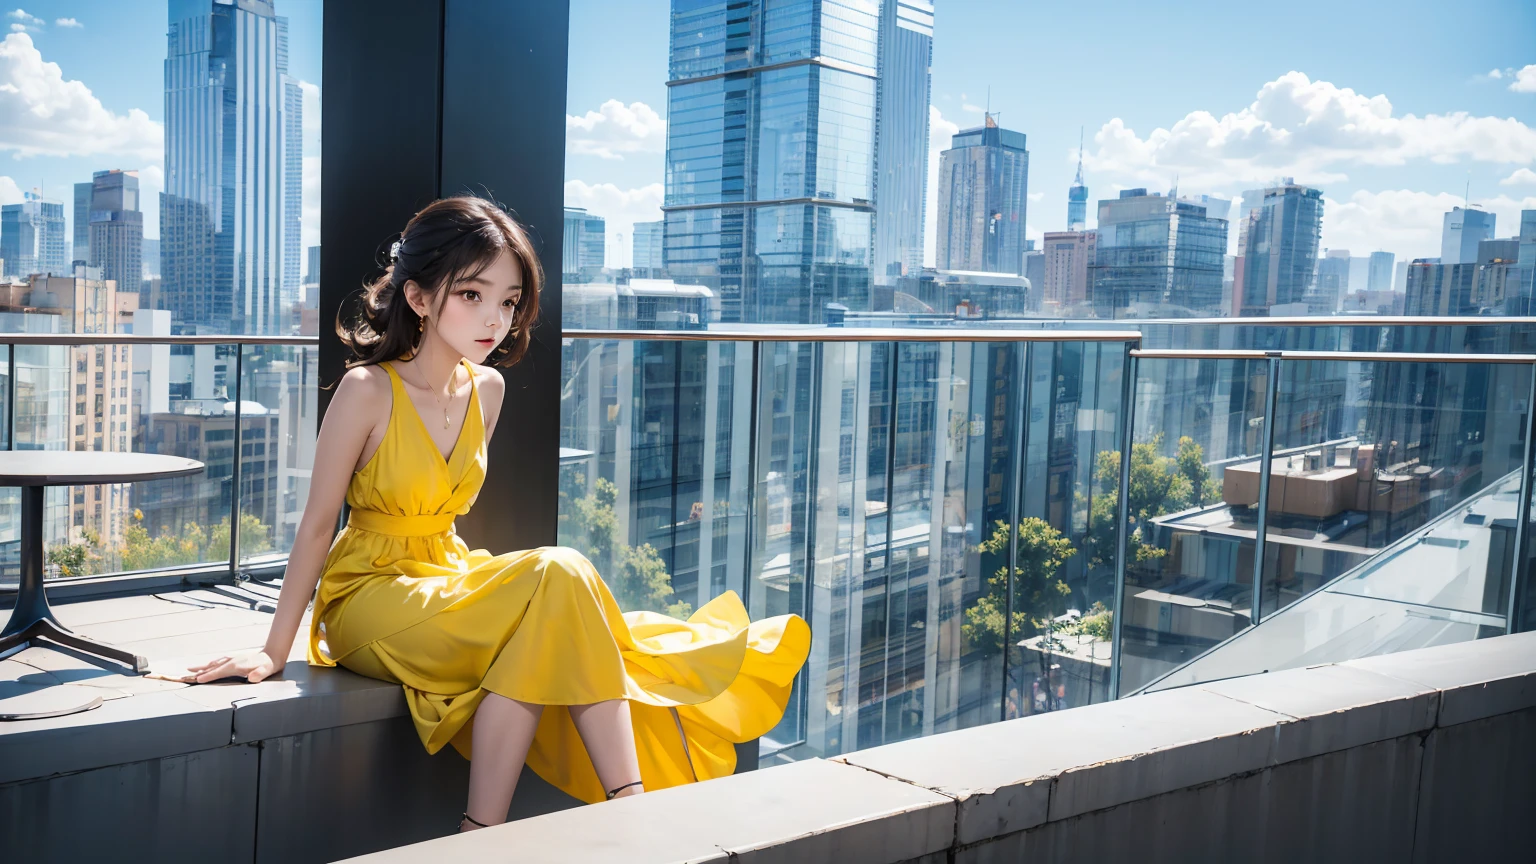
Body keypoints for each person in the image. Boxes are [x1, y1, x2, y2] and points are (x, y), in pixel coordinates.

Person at [185, 195, 811, 833]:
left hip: (445, 574)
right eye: (473, 296)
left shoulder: (489, 388)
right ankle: (627, 810)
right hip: (368, 593)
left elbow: (446, 512)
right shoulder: (367, 389)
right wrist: (273, 651)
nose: (496, 320)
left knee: (549, 602)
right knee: (558, 574)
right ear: (420, 298)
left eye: (510, 301)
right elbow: (318, 524)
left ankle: (493, 832)